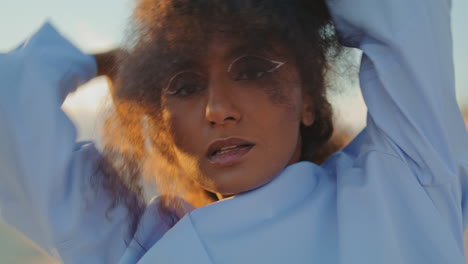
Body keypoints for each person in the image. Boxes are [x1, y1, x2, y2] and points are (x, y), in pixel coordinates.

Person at [1, 0, 467, 263]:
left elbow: (405, 12)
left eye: (253, 70)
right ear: (161, 126)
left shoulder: (403, 182)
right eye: (183, 85)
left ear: (309, 99)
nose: (217, 109)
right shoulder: (135, 248)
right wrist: (107, 61)